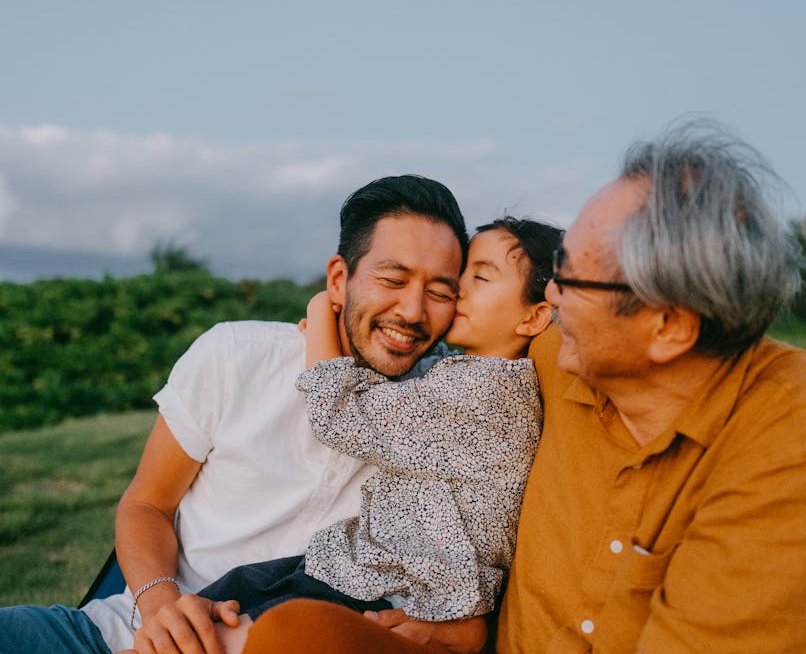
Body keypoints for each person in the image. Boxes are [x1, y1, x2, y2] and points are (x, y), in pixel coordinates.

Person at [241, 119, 806, 653]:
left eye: (569, 278)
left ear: (669, 327)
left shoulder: (791, 449)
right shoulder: (556, 351)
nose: (549, 297)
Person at [0, 174, 486, 654]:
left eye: (441, 292)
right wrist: (162, 607)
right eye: (393, 279)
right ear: (339, 279)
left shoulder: (450, 409)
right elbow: (147, 503)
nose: (413, 311)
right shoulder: (235, 355)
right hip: (119, 634)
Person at [180, 217, 560, 653]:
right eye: (458, 279)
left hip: (394, 589)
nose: (458, 291)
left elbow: (341, 413)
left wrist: (322, 310)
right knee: (222, 600)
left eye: (480, 277)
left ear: (534, 316)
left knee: (220, 634)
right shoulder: (475, 376)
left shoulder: (489, 392)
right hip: (367, 569)